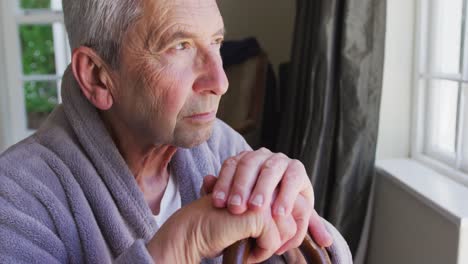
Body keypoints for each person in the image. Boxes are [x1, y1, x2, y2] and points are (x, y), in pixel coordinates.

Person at [0, 0, 352, 263]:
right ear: (97, 75)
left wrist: (305, 232)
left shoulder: (221, 146)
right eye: (180, 46)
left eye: (215, 42)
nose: (221, 81)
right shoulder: (14, 198)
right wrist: (182, 243)